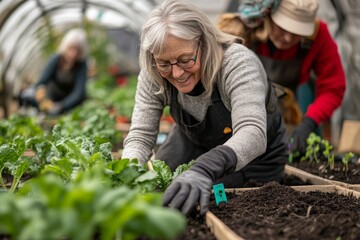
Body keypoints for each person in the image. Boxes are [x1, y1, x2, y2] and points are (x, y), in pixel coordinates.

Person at [121, 0, 287, 215]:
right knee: (166, 188)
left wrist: (205, 168)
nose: (177, 73)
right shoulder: (154, 71)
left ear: (204, 43)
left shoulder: (236, 63)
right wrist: (125, 173)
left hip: (253, 158)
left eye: (185, 60)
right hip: (193, 143)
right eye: (164, 63)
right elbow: (141, 135)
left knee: (223, 203)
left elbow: (252, 132)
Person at [217, 0, 346, 155]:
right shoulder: (242, 31)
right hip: (237, 111)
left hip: (283, 112)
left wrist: (309, 122)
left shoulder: (317, 35)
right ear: (268, 15)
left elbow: (333, 87)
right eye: (283, 28)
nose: (288, 38)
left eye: (297, 32)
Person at [19, 28, 88, 116]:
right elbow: (42, 81)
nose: (73, 53)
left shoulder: (81, 65)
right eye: (71, 48)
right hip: (51, 98)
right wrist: (41, 94)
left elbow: (79, 92)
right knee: (28, 97)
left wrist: (61, 106)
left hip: (70, 104)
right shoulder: (56, 59)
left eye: (77, 50)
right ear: (66, 47)